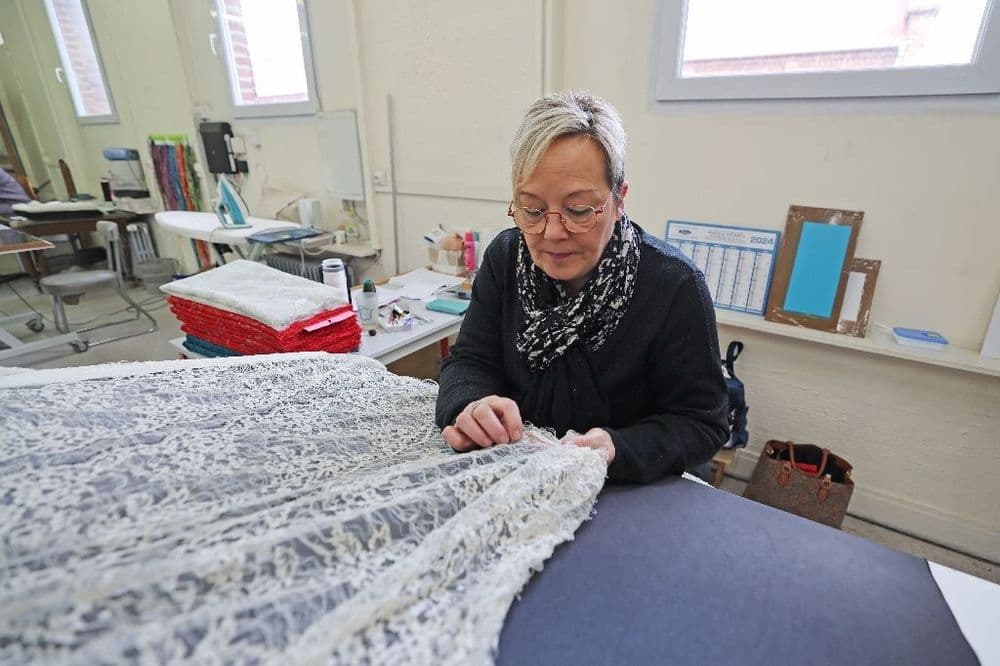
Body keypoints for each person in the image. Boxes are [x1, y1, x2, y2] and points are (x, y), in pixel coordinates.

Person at [435, 91, 729, 483]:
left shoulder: (674, 286)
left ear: (619, 198)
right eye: (532, 210)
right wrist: (472, 404)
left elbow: (702, 423)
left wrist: (618, 448)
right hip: (523, 474)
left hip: (630, 488)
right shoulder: (506, 257)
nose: (552, 233)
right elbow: (470, 361)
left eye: (578, 210)